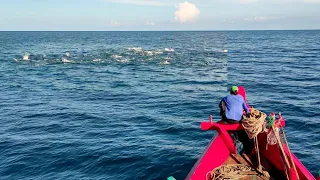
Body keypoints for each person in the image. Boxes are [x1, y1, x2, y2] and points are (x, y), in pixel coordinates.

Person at [219, 86, 252, 154]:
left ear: (230, 91)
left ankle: (234, 140)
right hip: (238, 120)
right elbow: (246, 109)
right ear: (237, 92)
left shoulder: (226, 97)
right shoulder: (241, 97)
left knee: (230, 129)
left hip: (229, 120)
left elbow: (220, 105)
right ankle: (245, 145)